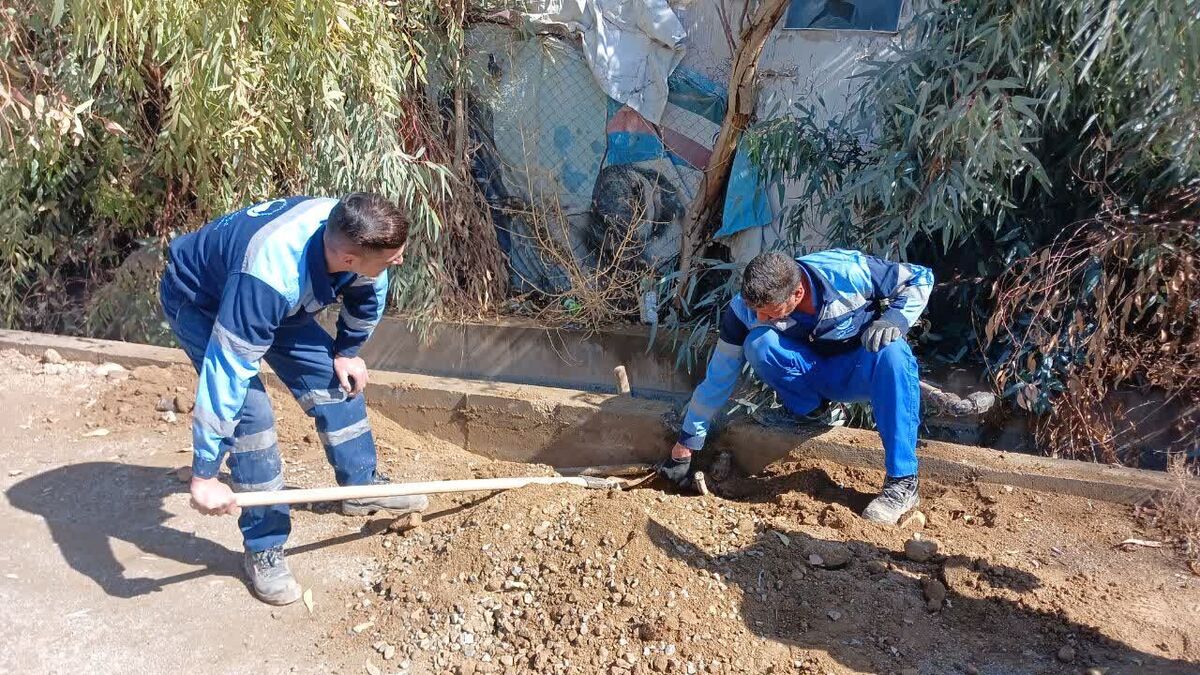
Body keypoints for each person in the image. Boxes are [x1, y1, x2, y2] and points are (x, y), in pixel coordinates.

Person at [159, 193, 430, 605]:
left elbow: (367, 294)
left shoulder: (355, 230)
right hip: (201, 300)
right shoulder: (270, 275)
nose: (399, 262)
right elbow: (225, 376)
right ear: (351, 259)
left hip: (275, 302)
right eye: (393, 258)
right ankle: (264, 545)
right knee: (252, 416)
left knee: (337, 382)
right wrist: (204, 474)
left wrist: (347, 351)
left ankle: (360, 488)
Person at [657, 249, 934, 524]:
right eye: (757, 312)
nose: (761, 319)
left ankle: (902, 482)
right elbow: (718, 377)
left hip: (858, 369)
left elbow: (921, 277)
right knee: (759, 342)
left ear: (797, 294)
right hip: (811, 370)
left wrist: (894, 319)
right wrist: (687, 442)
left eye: (771, 313)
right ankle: (812, 412)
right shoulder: (744, 309)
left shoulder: (847, 273)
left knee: (894, 352)